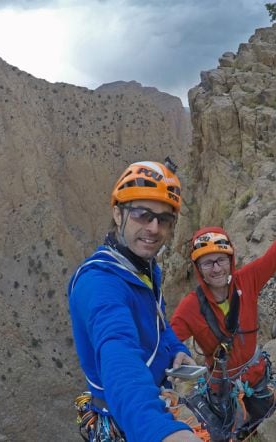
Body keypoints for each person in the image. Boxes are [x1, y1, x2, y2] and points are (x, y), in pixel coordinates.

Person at [170, 173, 276, 437]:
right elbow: (166, 342)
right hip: (222, 390)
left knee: (265, 418)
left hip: (257, 377)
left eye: (221, 260)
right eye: (207, 263)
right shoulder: (190, 308)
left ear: (230, 260)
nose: (216, 269)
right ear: (198, 269)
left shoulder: (248, 280)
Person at [68, 159, 202, 442]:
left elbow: (158, 324)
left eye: (164, 219)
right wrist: (160, 431)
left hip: (150, 403)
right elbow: (119, 354)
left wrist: (176, 348)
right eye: (142, 214)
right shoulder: (100, 282)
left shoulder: (144, 268)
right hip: (130, 420)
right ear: (118, 214)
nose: (154, 228)